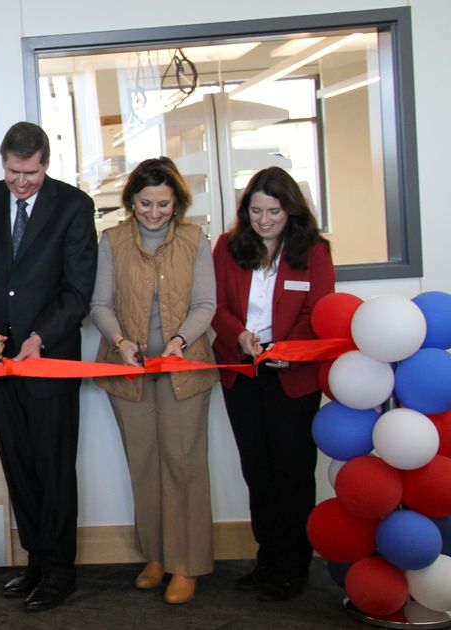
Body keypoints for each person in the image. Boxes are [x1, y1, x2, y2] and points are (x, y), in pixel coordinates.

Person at [0, 121, 97, 612]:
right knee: (19, 466)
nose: (20, 183)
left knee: (54, 467)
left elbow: (77, 292)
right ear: (3, 161)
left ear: (46, 164)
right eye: (13, 172)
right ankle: (37, 559)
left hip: (50, 363)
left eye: (30, 174)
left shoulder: (74, 207)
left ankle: (60, 571)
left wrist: (39, 338)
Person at [89, 157, 217, 605]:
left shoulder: (193, 240)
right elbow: (100, 304)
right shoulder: (113, 241)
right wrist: (121, 341)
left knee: (183, 466)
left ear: (177, 202)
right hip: (130, 369)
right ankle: (156, 556)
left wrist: (180, 340)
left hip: (184, 368)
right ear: (131, 201)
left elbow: (206, 303)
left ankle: (187, 564)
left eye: (163, 204)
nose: (154, 212)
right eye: (145, 203)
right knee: (143, 464)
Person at [211, 166, 334, 602]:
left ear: (292, 212)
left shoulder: (314, 251)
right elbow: (217, 306)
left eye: (273, 212)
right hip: (242, 372)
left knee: (293, 471)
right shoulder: (227, 247)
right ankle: (267, 559)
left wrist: (288, 345)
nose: (263, 221)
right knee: (257, 471)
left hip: (292, 376)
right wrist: (239, 336)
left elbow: (318, 312)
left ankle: (294, 564)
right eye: (255, 211)